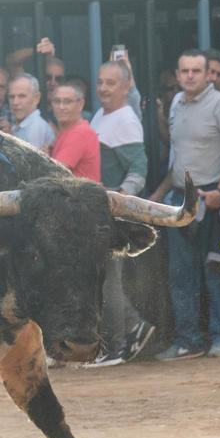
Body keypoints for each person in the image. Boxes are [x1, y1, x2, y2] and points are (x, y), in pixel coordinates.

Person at [155, 49, 220, 361]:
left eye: (196, 71)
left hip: (211, 199)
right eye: (185, 71)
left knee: (214, 270)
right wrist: (156, 198)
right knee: (181, 274)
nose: (190, 76)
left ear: (209, 74)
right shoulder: (176, 104)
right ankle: (188, 341)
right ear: (177, 75)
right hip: (179, 198)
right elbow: (179, 158)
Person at [86, 60, 152, 365]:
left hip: (111, 208)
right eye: (100, 82)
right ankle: (133, 326)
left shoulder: (125, 119)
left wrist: (123, 197)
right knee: (102, 278)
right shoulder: (103, 113)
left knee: (108, 279)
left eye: (111, 83)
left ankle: (116, 345)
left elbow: (139, 165)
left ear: (126, 87)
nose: (103, 88)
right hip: (100, 208)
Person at [47, 77, 99, 180]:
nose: (61, 107)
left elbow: (54, 173)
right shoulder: (68, 131)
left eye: (67, 102)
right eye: (57, 101)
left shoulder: (80, 133)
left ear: (80, 104)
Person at [5, 75, 54, 152]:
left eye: (22, 96)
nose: (15, 102)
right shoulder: (21, 125)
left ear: (36, 98)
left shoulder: (35, 128)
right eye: (11, 97)